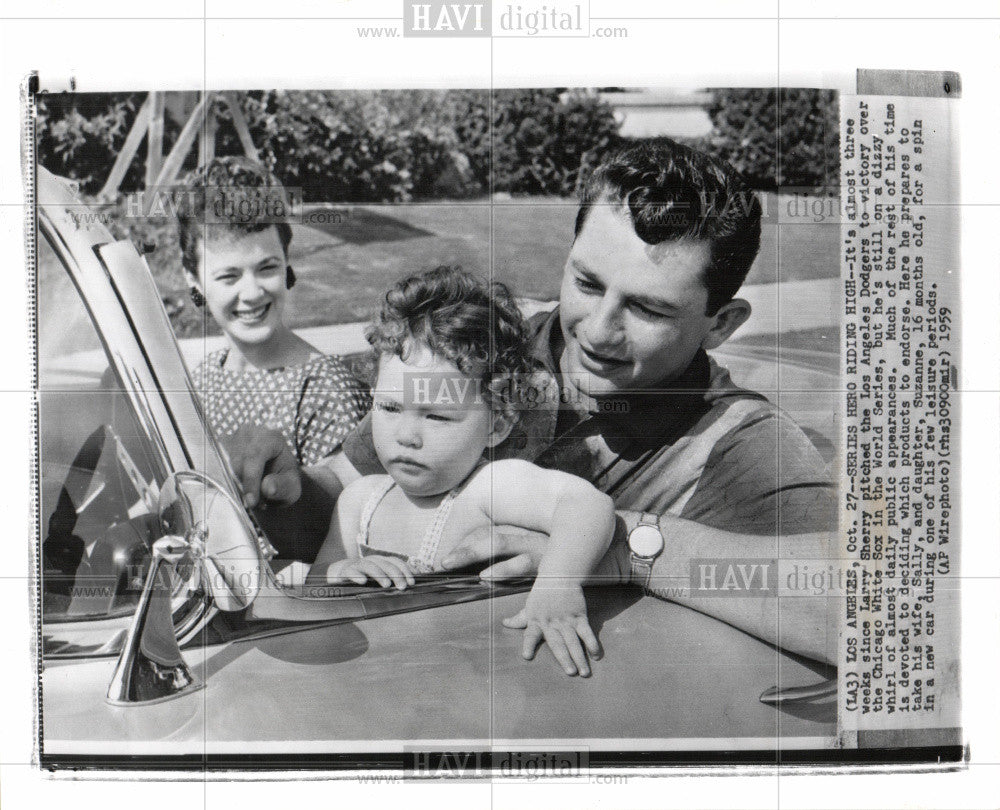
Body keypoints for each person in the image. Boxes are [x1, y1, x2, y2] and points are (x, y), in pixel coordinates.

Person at [226, 139, 838, 665]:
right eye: (587, 283)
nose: (598, 331)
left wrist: (625, 549)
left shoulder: (739, 443)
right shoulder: (484, 351)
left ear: (721, 323)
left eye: (648, 308)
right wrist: (286, 489)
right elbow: (350, 495)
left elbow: (869, 615)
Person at [306, 267, 616, 676]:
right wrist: (340, 573)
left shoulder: (487, 487)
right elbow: (312, 589)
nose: (406, 436)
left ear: (496, 425)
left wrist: (558, 585)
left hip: (468, 678)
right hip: (376, 677)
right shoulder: (358, 502)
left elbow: (587, 505)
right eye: (390, 408)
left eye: (436, 416)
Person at [176, 157, 370, 467]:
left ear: (286, 260)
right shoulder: (205, 376)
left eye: (267, 268)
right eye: (229, 276)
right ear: (193, 278)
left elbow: (345, 509)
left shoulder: (326, 391)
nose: (252, 293)